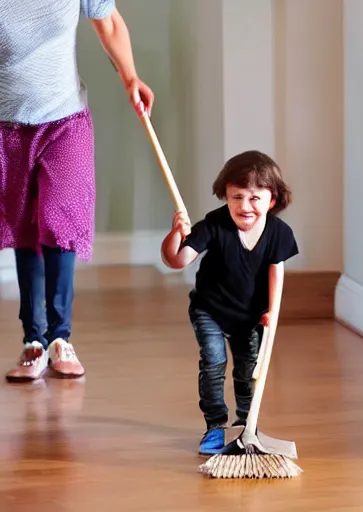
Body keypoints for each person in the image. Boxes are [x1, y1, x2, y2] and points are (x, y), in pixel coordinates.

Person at [0, 1, 154, 382]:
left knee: (59, 220)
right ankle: (33, 341)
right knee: (25, 228)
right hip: (7, 126)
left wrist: (130, 77)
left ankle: (59, 338)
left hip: (66, 118)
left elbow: (110, 23)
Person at [161, 150, 299, 455]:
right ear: (225, 195)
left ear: (272, 200)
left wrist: (272, 312)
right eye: (236, 197)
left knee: (249, 367)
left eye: (254, 198)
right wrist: (175, 235)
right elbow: (177, 260)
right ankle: (215, 425)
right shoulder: (214, 224)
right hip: (210, 309)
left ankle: (246, 425)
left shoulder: (278, 234)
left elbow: (276, 273)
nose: (244, 206)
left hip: (249, 315)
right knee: (213, 361)